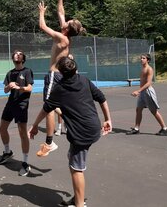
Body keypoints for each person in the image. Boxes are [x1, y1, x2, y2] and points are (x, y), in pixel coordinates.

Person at [29, 57, 112, 207]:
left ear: (60, 73)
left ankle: (79, 204)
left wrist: (34, 126)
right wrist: (108, 119)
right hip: (93, 127)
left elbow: (46, 109)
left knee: (76, 169)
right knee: (72, 158)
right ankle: (77, 197)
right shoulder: (84, 79)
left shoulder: (59, 88)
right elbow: (101, 98)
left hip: (81, 133)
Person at [35, 0, 86, 156]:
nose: (65, 20)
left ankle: (49, 142)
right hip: (60, 75)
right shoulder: (66, 35)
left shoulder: (61, 38)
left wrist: (41, 12)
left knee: (48, 107)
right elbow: (60, 12)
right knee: (56, 105)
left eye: (67, 21)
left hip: (54, 75)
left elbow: (42, 26)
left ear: (66, 28)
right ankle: (72, 119)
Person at [0, 49, 34, 176]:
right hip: (10, 104)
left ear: (23, 58)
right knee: (2, 128)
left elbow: (30, 88)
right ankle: (7, 152)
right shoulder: (10, 73)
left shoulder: (27, 71)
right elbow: (5, 91)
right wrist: (9, 86)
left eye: (19, 54)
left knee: (22, 133)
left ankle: (25, 162)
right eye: (15, 54)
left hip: (21, 104)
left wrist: (20, 88)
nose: (16, 55)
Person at [126, 53, 167, 136]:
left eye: (143, 58)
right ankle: (136, 128)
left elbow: (149, 83)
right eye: (141, 58)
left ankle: (164, 128)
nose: (141, 59)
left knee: (154, 111)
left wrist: (138, 91)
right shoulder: (143, 68)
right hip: (142, 92)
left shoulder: (149, 69)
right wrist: (140, 91)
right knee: (138, 109)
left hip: (148, 92)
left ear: (148, 60)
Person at [55, 53, 74, 136]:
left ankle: (67, 125)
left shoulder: (74, 69)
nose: (69, 59)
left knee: (69, 110)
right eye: (68, 58)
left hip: (71, 92)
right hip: (62, 90)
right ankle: (59, 128)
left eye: (71, 58)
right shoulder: (62, 70)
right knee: (59, 108)